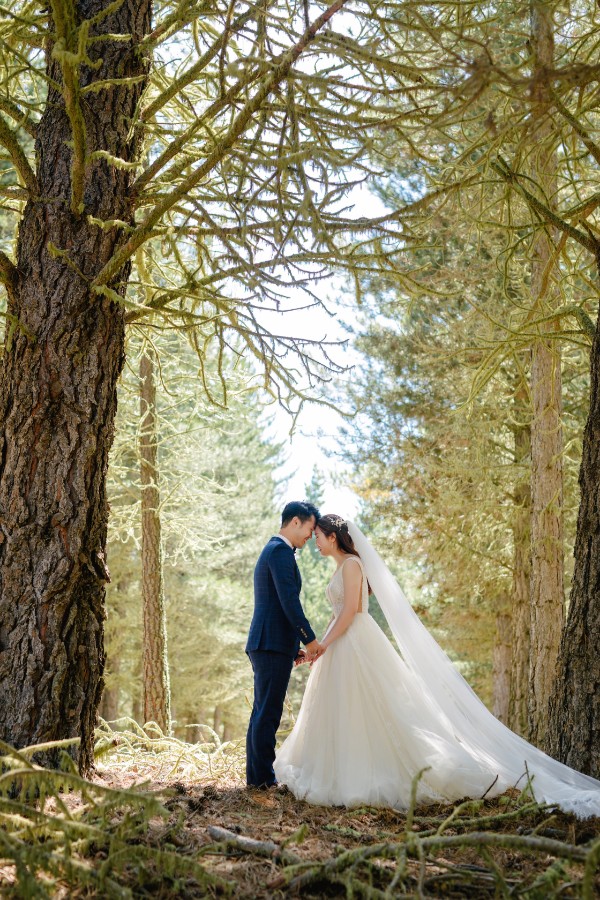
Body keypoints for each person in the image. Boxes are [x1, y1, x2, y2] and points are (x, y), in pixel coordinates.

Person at [274, 514, 600, 818]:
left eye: (318, 536)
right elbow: (336, 615)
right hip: (343, 642)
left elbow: (349, 616)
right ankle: (340, 768)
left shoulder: (351, 566)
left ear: (332, 536)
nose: (314, 541)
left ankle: (368, 773)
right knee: (344, 709)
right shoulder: (342, 566)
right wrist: (316, 650)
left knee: (371, 709)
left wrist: (325, 645)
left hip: (356, 640)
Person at [245, 501, 325, 789]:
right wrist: (310, 639)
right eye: (309, 529)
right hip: (269, 643)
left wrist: (294, 649)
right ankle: (263, 780)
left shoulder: (276, 550)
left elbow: (278, 605)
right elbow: (288, 601)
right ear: (295, 522)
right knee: (268, 712)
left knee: (262, 711)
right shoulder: (279, 552)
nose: (310, 536)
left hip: (271, 642)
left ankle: (257, 778)